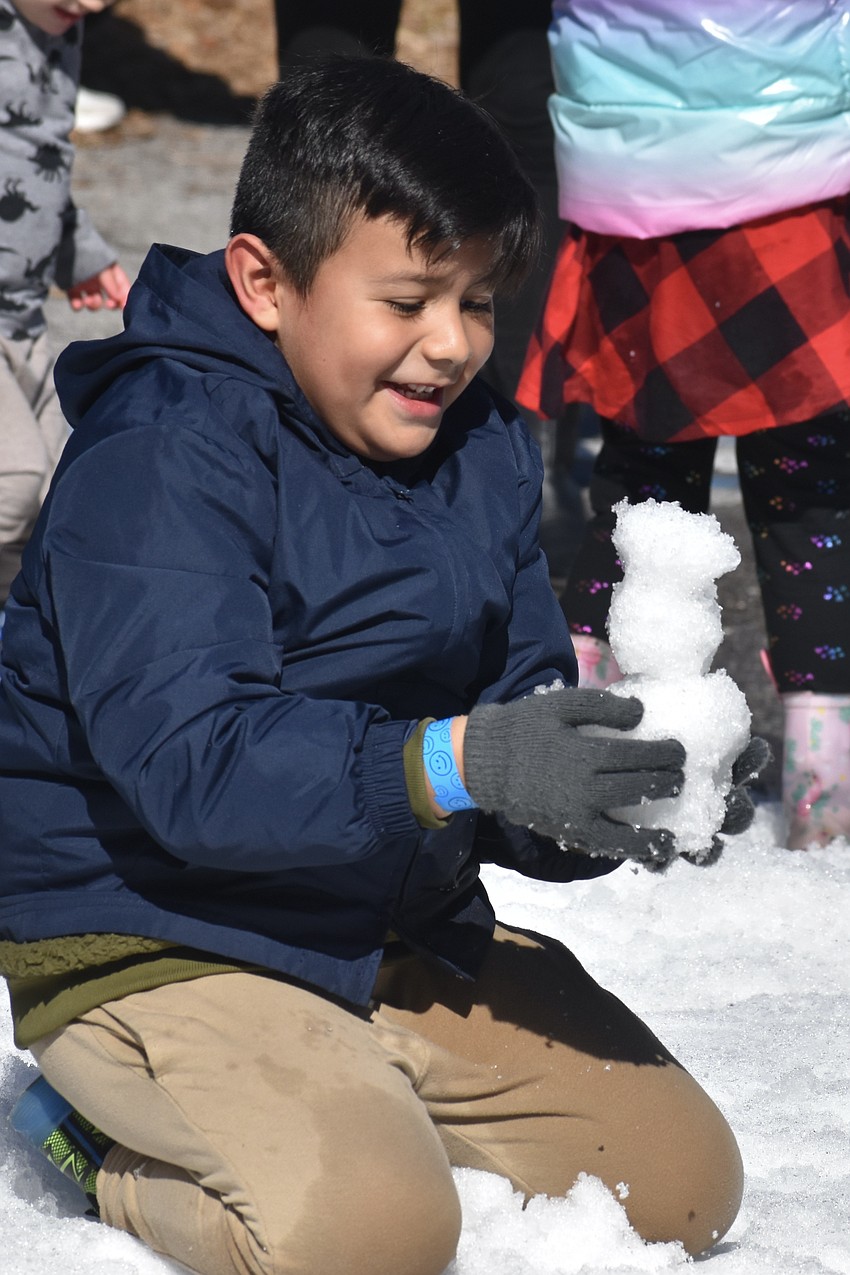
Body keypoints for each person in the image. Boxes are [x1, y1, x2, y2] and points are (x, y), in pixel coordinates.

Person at [0, 56, 761, 1275]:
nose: (450, 344)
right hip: (151, 931)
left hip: (376, 924)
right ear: (265, 282)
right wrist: (463, 762)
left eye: (478, 300)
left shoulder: (478, 450)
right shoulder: (164, 452)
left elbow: (506, 725)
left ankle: (339, 1097)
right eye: (407, 300)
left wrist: (612, 792)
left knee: (673, 1189)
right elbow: (195, 764)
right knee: (369, 1237)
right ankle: (98, 1146)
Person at [518, 0, 850, 851]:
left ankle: (578, 751)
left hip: (633, 166)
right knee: (809, 494)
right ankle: (826, 801)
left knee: (642, 476)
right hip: (795, 156)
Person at [0, 0, 130, 618]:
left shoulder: (58, 31)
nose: (92, 4)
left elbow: (37, 165)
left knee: (66, 487)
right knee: (13, 484)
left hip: (23, 320)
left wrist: (80, 254)